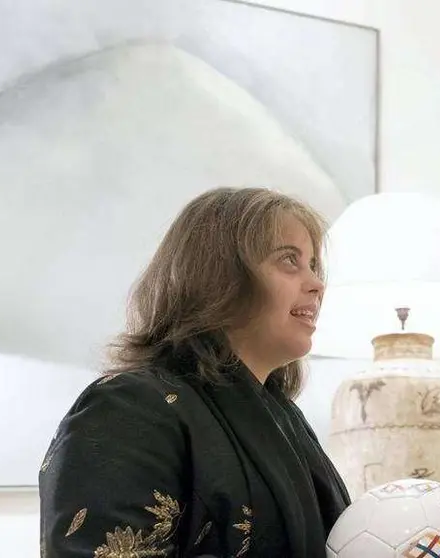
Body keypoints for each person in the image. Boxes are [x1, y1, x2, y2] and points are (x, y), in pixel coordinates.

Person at [38, 187, 350, 557]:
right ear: (219, 277)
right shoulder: (130, 408)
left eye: (313, 265)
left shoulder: (287, 422)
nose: (316, 284)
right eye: (289, 260)